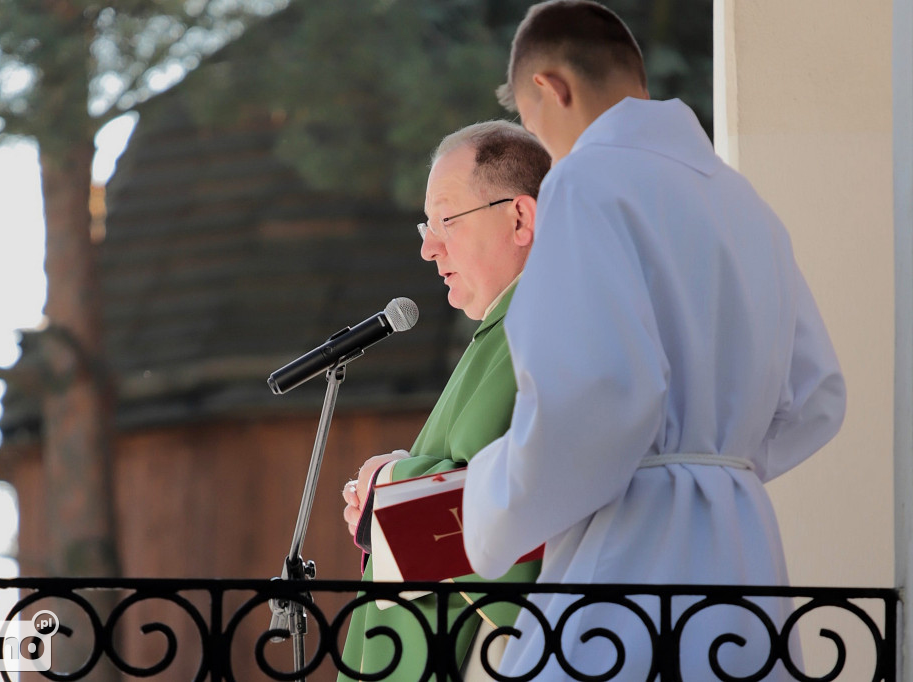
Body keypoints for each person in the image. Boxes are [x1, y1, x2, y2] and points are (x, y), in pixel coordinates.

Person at [461, 2, 847, 680]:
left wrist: (488, 500)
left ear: (551, 88)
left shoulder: (583, 182)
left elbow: (594, 394)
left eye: (532, 124)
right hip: (743, 554)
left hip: (634, 551)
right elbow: (817, 394)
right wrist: (715, 457)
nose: (546, 150)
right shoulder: (744, 201)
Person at [338, 120, 552, 681]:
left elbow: (520, 498)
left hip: (495, 649)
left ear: (520, 218)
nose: (429, 249)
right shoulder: (510, 323)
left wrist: (390, 486)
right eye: (425, 226)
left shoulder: (541, 323)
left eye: (446, 221)